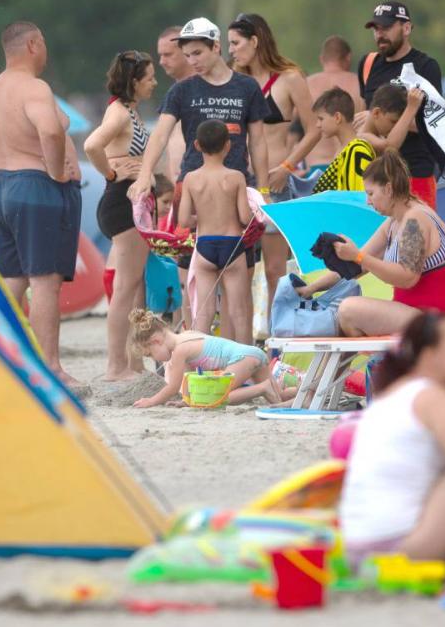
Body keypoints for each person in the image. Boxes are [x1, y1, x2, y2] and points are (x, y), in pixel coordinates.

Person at [338, 311, 445, 592]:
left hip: (358, 547)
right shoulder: (432, 398)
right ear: (430, 355)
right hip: (399, 547)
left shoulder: (394, 395)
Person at [0, 21, 82, 385]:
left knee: (13, 279)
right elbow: (50, 130)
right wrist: (56, 171)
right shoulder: (34, 88)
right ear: (33, 44)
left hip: (3, 191)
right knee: (45, 282)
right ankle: (51, 368)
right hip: (37, 190)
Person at [130, 19, 269, 345]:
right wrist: (144, 175)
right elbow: (160, 134)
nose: (191, 61)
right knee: (193, 282)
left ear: (216, 47)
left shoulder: (246, 87)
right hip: (193, 188)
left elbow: (259, 142)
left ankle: (237, 358)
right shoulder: (183, 90)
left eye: (197, 53)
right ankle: (197, 354)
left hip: (237, 188)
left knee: (239, 286)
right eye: (187, 55)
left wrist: (262, 191)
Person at [298, 151, 445, 335]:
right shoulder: (393, 222)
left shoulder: (416, 219)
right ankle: (376, 362)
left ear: (389, 189)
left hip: (437, 320)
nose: (368, 201)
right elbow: (354, 267)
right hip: (415, 313)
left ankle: (375, 362)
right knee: (345, 309)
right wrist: (310, 289)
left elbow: (407, 277)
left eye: (370, 193)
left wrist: (358, 256)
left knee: (348, 309)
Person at [228, 13, 314, 310]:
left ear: (255, 41)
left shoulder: (289, 78)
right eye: (229, 44)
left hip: (275, 180)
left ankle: (278, 336)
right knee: (239, 266)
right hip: (238, 180)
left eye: (236, 43)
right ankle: (244, 335)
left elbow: (314, 129)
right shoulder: (232, 81)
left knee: (275, 267)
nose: (232, 50)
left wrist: (288, 167)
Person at [83, 50, 158, 382]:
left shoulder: (128, 110)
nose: (155, 83)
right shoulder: (119, 113)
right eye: (150, 78)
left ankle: (132, 363)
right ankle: (116, 367)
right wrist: (111, 175)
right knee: (126, 288)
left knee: (133, 285)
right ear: (135, 81)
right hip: (121, 203)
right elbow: (91, 145)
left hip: (128, 203)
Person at [358, 0, 445, 205]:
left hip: (415, 171)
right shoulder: (368, 64)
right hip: (378, 174)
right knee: (383, 236)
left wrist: (389, 120)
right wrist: (371, 122)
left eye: (386, 28)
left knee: (416, 234)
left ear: (406, 28)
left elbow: (436, 125)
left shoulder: (426, 66)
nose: (380, 34)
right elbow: (366, 119)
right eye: (376, 29)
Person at [127, 309, 295, 409]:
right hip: (253, 353)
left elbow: (173, 387)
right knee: (280, 395)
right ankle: (308, 393)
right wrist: (188, 401)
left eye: (149, 354)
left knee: (215, 398)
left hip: (242, 358)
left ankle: (262, 388)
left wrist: (151, 401)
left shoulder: (179, 351)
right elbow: (191, 381)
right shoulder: (186, 335)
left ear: (156, 341)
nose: (153, 358)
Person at [179, 121, 256, 337]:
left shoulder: (191, 179)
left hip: (205, 246)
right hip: (232, 245)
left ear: (197, 145)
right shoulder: (235, 177)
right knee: (239, 312)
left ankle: (197, 363)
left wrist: (201, 217)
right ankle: (247, 365)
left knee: (204, 313)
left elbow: (184, 220)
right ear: (228, 145)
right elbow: (244, 217)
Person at [308, 84, 420, 194]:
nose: (317, 124)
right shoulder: (358, 144)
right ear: (376, 112)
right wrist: (411, 108)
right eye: (393, 122)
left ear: (337, 117)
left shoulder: (357, 148)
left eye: (321, 119)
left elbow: (357, 196)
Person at [306, 34, 363, 166]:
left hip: (316, 164)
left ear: (322, 59)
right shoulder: (359, 84)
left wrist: (289, 165)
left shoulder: (306, 84)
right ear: (348, 57)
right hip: (349, 163)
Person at [155, 25, 193, 180]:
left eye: (168, 55)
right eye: (160, 55)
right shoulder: (173, 93)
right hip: (177, 186)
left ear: (186, 52)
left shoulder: (207, 90)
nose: (161, 61)